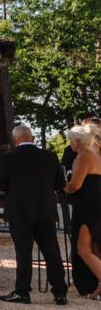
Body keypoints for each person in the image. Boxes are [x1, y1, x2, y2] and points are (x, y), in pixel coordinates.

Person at [0, 125, 66, 305]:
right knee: (52, 252)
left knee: (23, 253)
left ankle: (22, 292)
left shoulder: (8, 158)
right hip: (45, 210)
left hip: (19, 212)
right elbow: (59, 183)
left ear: (15, 140)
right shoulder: (49, 156)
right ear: (32, 138)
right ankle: (60, 293)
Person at [64, 123, 101, 299]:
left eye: (70, 140)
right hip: (96, 205)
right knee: (93, 248)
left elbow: (74, 186)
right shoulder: (96, 156)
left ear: (77, 141)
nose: (70, 143)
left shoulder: (84, 156)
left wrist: (61, 184)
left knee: (83, 249)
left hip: (87, 207)